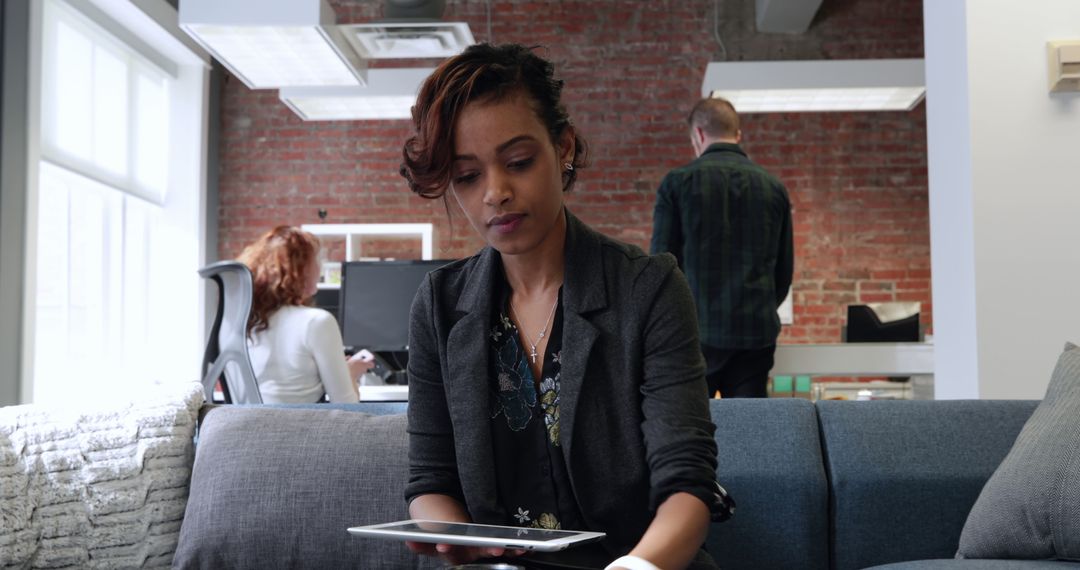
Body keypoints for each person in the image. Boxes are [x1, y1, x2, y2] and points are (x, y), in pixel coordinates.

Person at [398, 44, 731, 570]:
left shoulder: (648, 289)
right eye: (467, 176)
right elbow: (430, 481)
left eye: (519, 162)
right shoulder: (441, 305)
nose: (496, 193)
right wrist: (450, 534)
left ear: (564, 148)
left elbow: (687, 486)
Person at [650, 98, 794, 399]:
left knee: (691, 432)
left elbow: (661, 267)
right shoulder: (773, 187)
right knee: (749, 433)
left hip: (693, 334)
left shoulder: (677, 184)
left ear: (699, 135)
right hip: (755, 335)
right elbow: (783, 273)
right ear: (737, 134)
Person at [237, 226, 374, 403]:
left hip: (248, 425)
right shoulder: (317, 321)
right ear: (300, 270)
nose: (319, 267)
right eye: (316, 261)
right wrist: (350, 374)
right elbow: (347, 407)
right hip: (299, 428)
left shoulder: (247, 322)